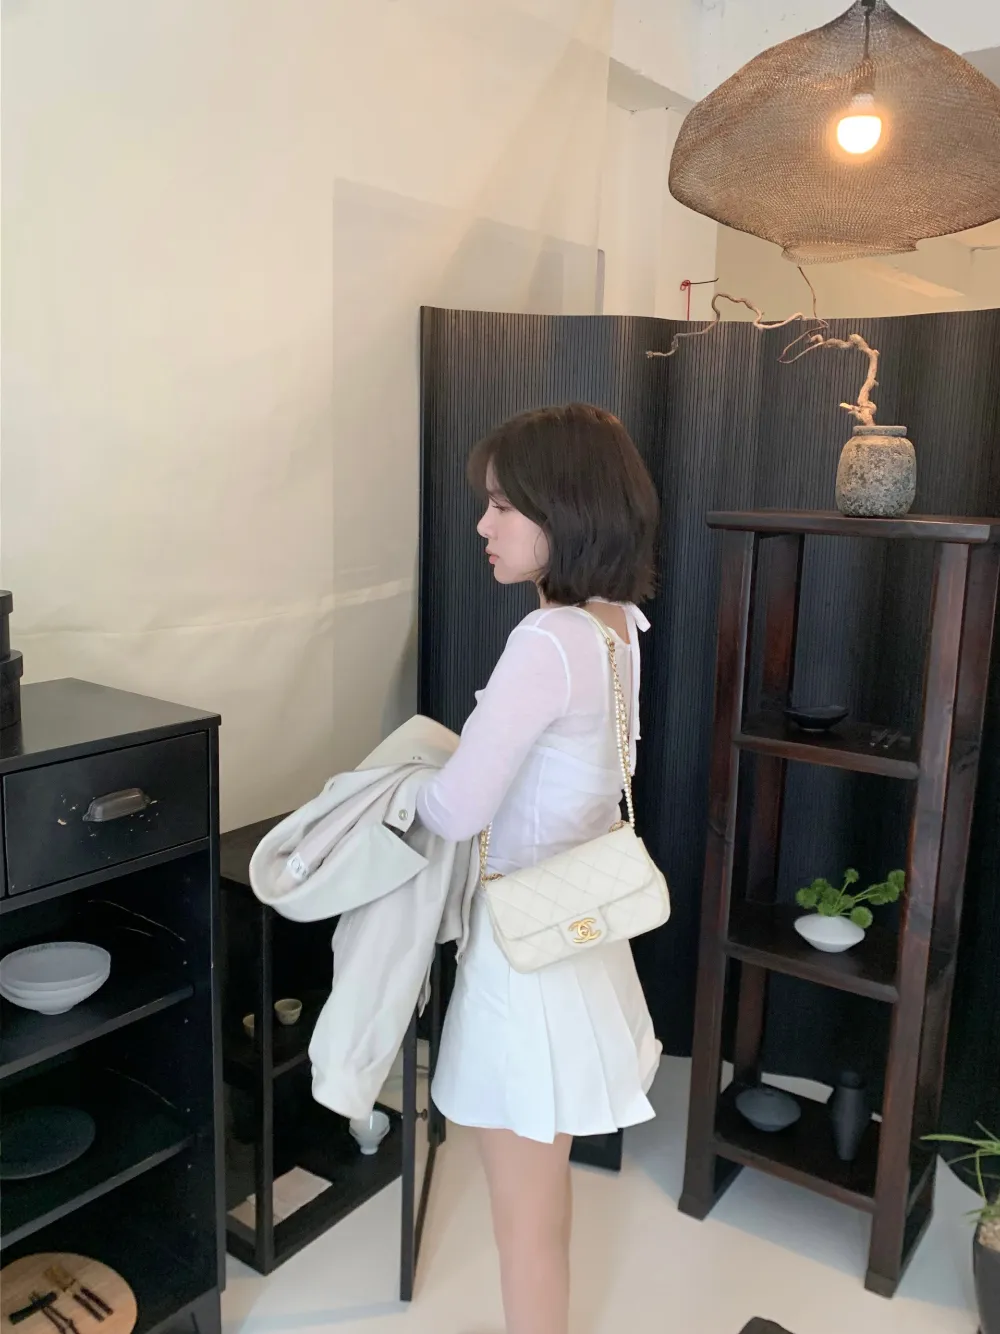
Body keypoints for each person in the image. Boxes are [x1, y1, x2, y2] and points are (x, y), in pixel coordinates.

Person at [415, 403, 662, 1334]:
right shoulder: (616, 626)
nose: (483, 525)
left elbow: (457, 810)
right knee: (542, 1201)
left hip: (524, 959)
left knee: (521, 1223)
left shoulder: (546, 642)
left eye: (502, 506)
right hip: (579, 935)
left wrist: (407, 783)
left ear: (566, 510)